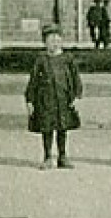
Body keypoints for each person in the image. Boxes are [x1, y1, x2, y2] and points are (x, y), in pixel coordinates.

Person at [25, 26, 82, 170]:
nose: (55, 43)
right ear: (45, 42)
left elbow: (76, 79)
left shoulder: (68, 59)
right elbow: (33, 81)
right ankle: (48, 156)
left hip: (64, 99)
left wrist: (77, 96)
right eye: (51, 40)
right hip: (45, 100)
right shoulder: (41, 60)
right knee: (47, 128)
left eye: (57, 40)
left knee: (63, 128)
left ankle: (62, 156)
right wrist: (30, 100)